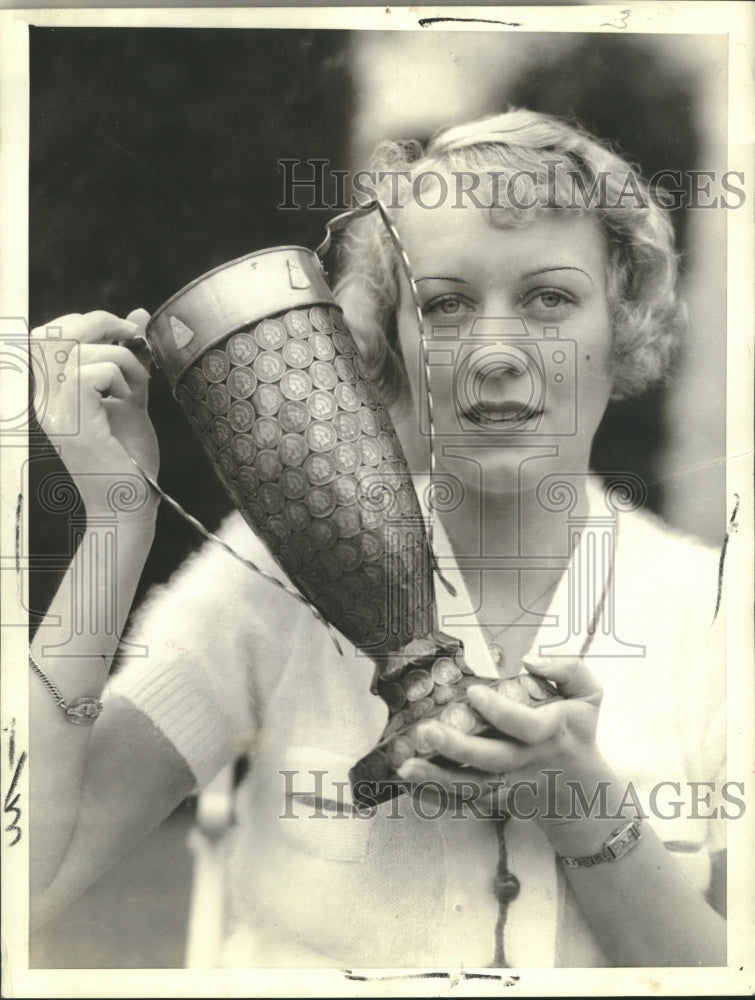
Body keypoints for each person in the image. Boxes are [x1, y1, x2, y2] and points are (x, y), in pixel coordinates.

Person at [30, 108, 727, 968]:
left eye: (549, 298)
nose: (495, 353)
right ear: (393, 343)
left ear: (619, 324)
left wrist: (585, 811)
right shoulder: (265, 571)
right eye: (446, 305)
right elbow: (26, 881)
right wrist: (113, 524)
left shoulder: (713, 615)